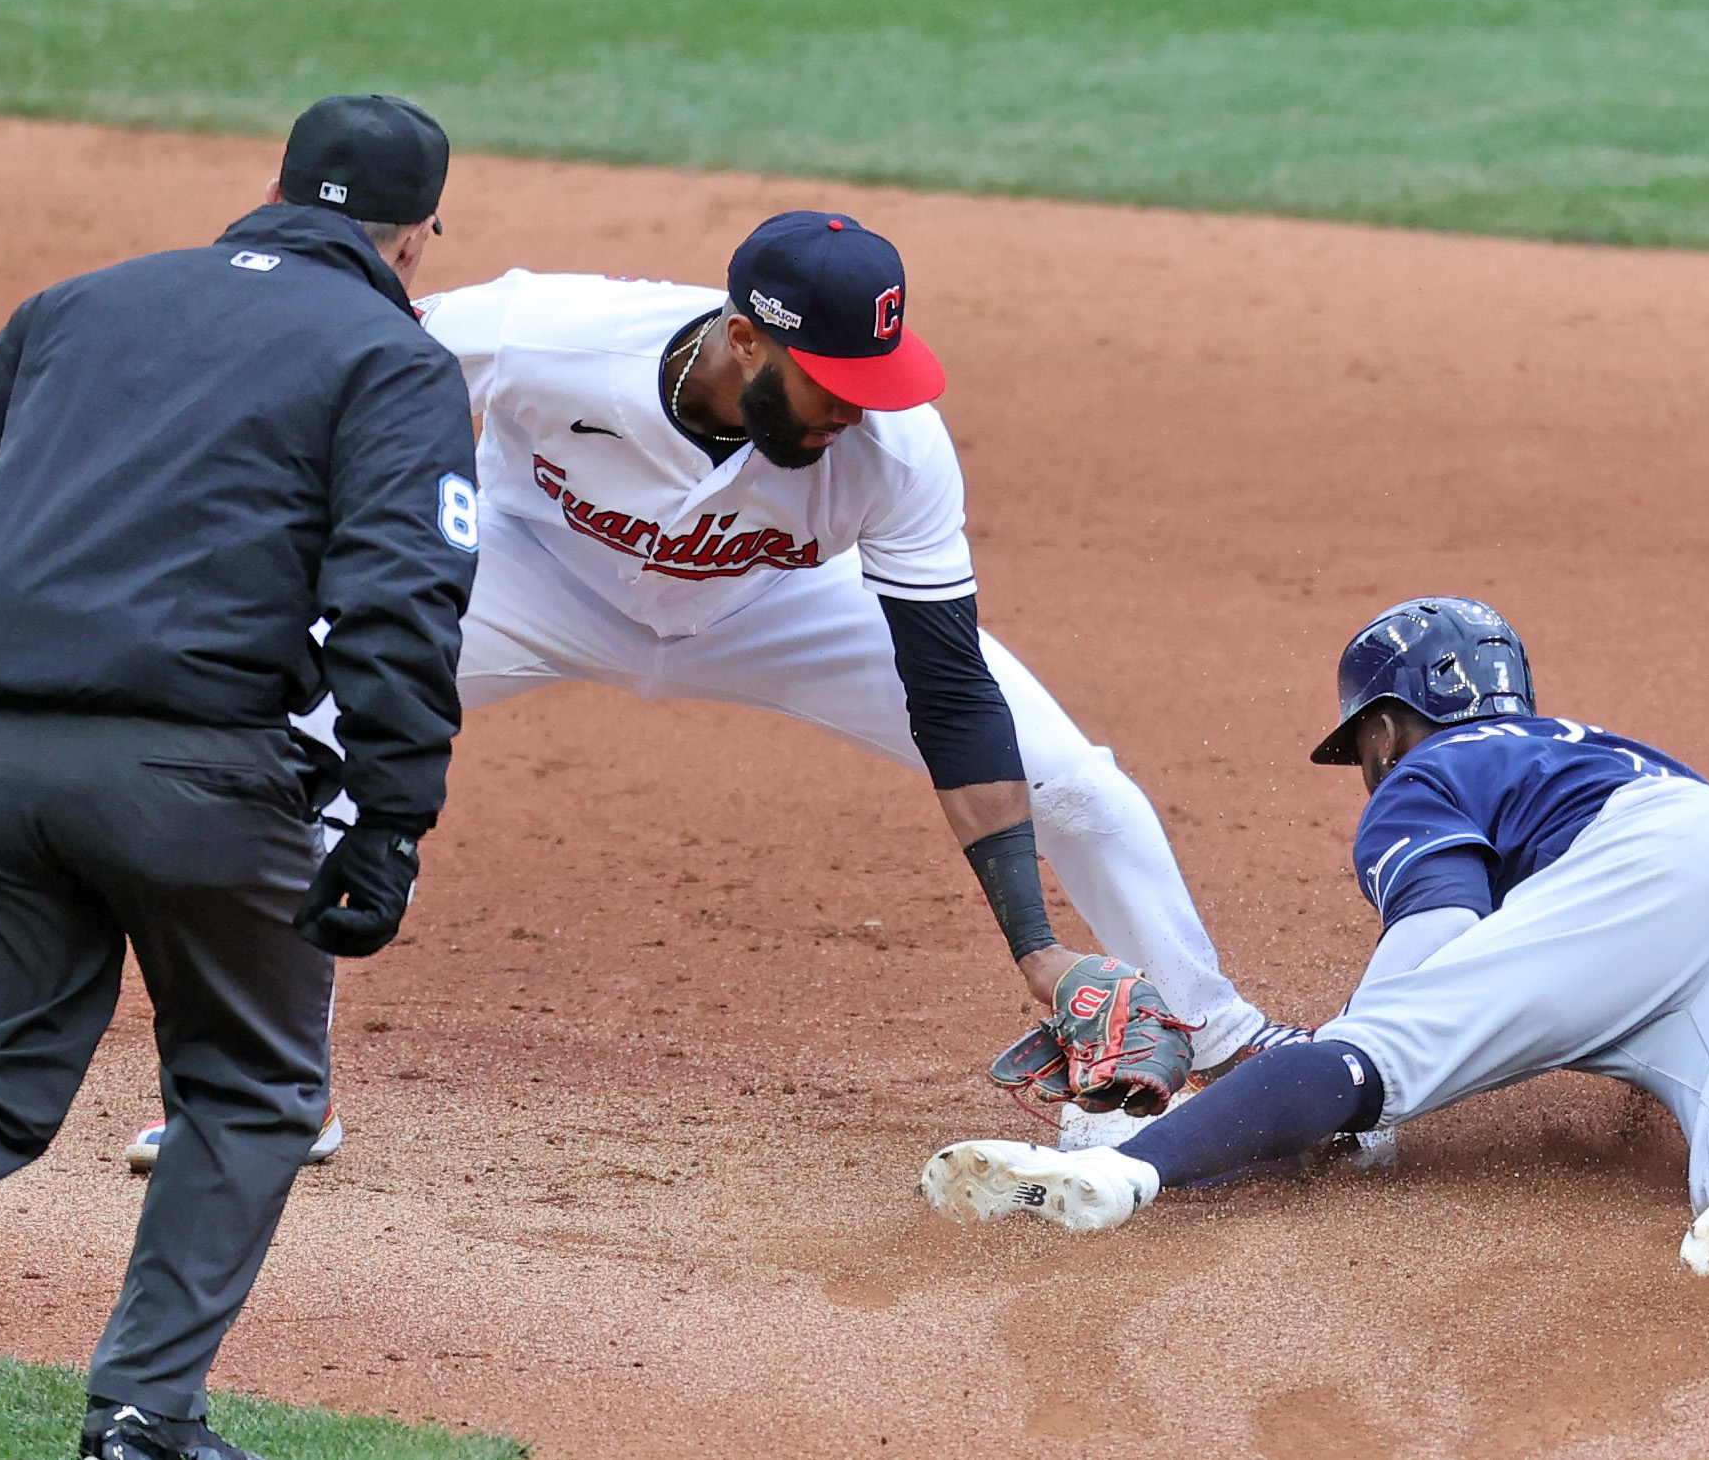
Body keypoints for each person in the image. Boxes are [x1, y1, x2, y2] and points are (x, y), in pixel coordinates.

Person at [0, 94, 477, 1460]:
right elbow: (402, 597)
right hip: (198, 779)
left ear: (274, 189)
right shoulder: (391, 357)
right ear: (418, 236)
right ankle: (144, 1417)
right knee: (252, 1085)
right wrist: (391, 817)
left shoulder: (75, 304)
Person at [244, 209, 1299, 1152]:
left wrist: (1034, 946)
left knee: (1072, 783)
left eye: (873, 381)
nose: (856, 410)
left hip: (779, 606)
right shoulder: (541, 332)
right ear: (744, 337)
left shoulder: (897, 450)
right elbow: (336, 369)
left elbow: (949, 689)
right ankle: (277, 1081)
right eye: (832, 383)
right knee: (297, 718)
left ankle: (1227, 1042)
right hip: (533, 574)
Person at [919, 597, 1709, 1276]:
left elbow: (1434, 938)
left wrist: (1329, 1073)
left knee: (1369, 1058)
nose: (1366, 772)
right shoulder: (1584, 751)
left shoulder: (1431, 772)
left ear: (1387, 727)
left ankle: (1118, 1172)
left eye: (1360, 750)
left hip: (1652, 875)